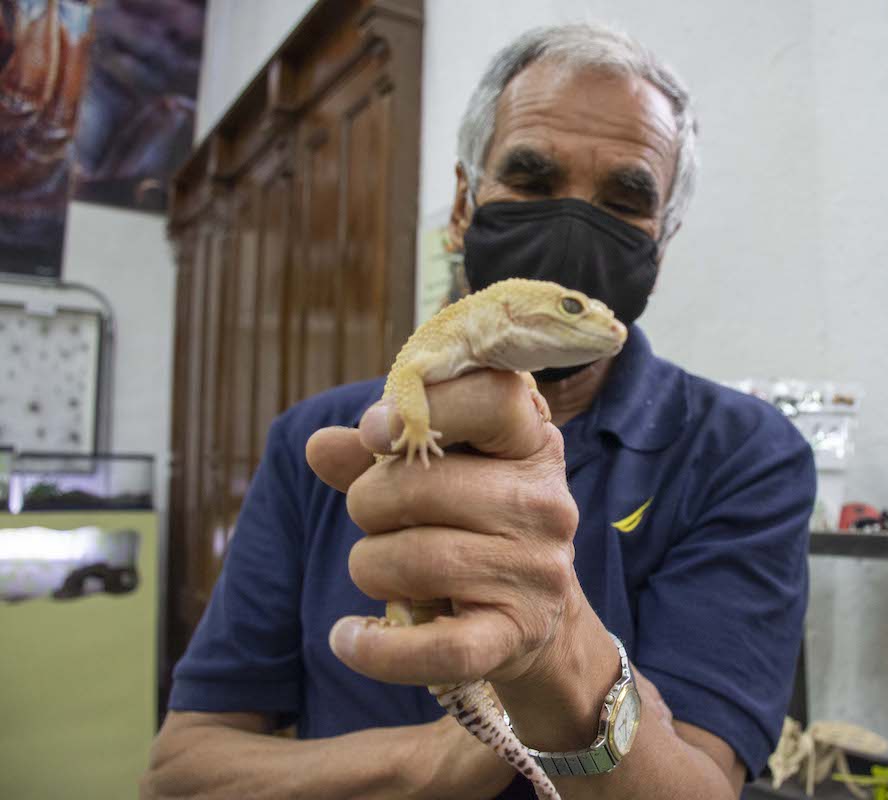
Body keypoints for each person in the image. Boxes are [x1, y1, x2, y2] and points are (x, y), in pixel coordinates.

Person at [142, 22, 814, 800]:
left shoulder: (747, 454)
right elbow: (181, 773)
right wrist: (444, 759)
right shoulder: (316, 438)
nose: (572, 224)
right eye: (530, 182)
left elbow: (701, 784)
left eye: (625, 199)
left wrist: (552, 646)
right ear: (464, 205)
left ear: (661, 240)